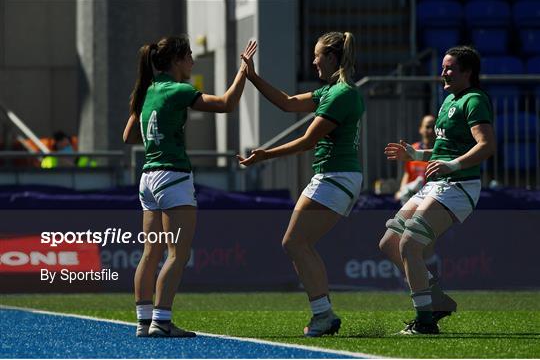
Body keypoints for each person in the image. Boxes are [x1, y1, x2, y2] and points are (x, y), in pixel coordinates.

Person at [123, 35, 256, 337]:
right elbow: (226, 104)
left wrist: (157, 130)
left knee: (150, 253)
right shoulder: (179, 89)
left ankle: (145, 321)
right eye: (189, 56)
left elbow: (129, 136)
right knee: (177, 254)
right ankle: (162, 320)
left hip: (147, 178)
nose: (193, 61)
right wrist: (243, 71)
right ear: (177, 60)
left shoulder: (147, 91)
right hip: (172, 177)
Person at [237, 32, 363, 337]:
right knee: (297, 244)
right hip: (332, 176)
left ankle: (324, 314)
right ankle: (323, 313)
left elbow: (308, 141)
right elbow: (287, 102)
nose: (314, 60)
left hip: (336, 176)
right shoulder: (331, 91)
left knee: (295, 243)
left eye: (318, 55)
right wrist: (252, 76)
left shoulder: (342, 94)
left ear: (333, 58)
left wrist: (265, 154)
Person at [381, 46, 495, 335]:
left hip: (459, 186)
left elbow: (487, 146)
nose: (443, 72)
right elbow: (443, 152)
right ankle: (437, 300)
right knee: (390, 242)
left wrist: (452, 166)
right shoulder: (448, 102)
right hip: (439, 184)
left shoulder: (475, 100)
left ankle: (425, 321)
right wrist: (416, 156)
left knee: (410, 245)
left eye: (450, 68)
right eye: (443, 67)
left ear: (467, 72)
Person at [394, 115, 435, 205]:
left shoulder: (440, 151)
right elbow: (407, 173)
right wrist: (402, 190)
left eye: (433, 127)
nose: (431, 131)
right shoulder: (413, 149)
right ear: (420, 129)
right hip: (411, 197)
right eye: (427, 127)